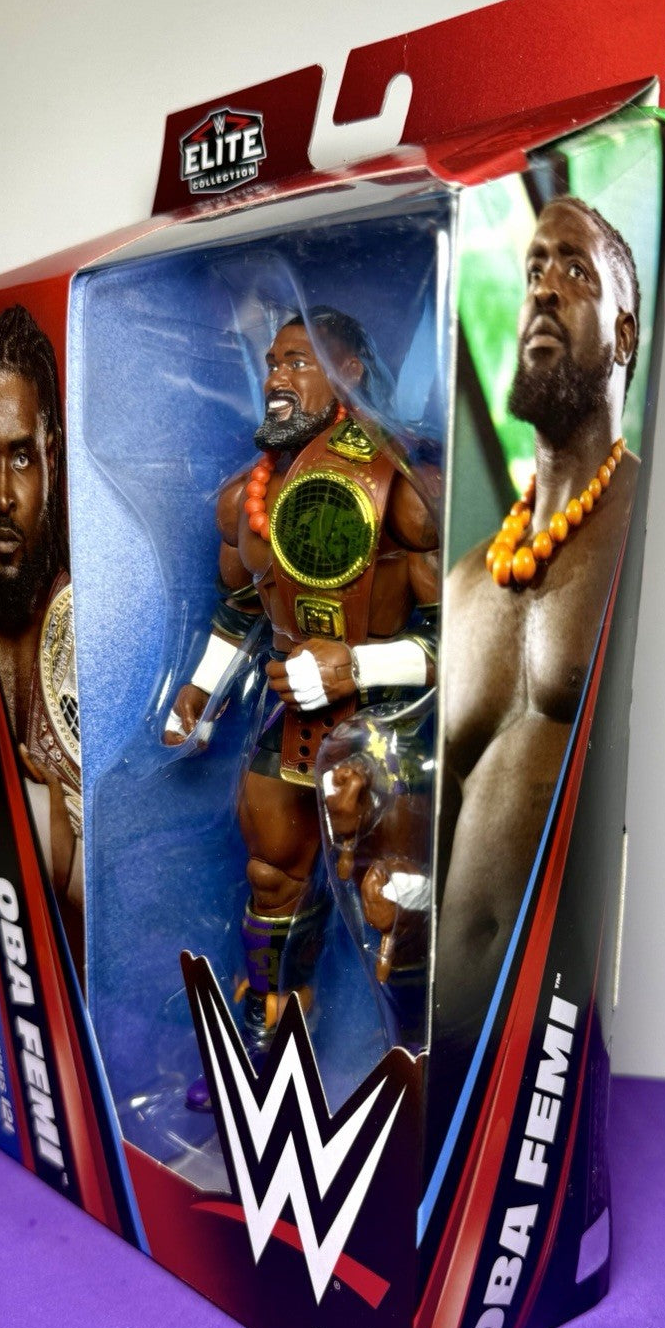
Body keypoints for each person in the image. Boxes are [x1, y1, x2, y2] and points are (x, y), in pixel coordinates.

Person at [163, 308, 439, 1100]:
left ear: (348, 372)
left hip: (388, 726)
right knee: (273, 875)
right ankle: (267, 1037)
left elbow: (461, 639)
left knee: (394, 896)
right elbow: (244, 610)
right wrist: (201, 688)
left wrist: (358, 666)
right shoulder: (245, 500)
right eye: (273, 362)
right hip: (289, 720)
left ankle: (423, 1059)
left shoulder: (403, 491)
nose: (277, 378)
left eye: (298, 361)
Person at [434, 196, 641, 1074]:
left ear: (625, 336)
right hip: (447, 1050)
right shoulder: (466, 581)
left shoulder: (647, 528)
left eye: (575, 270)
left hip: (562, 1062)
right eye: (533, 270)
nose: (545, 289)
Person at [0, 305, 84, 961]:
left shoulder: (91, 629)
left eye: (21, 458)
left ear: (51, 456)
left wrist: (64, 852)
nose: (2, 496)